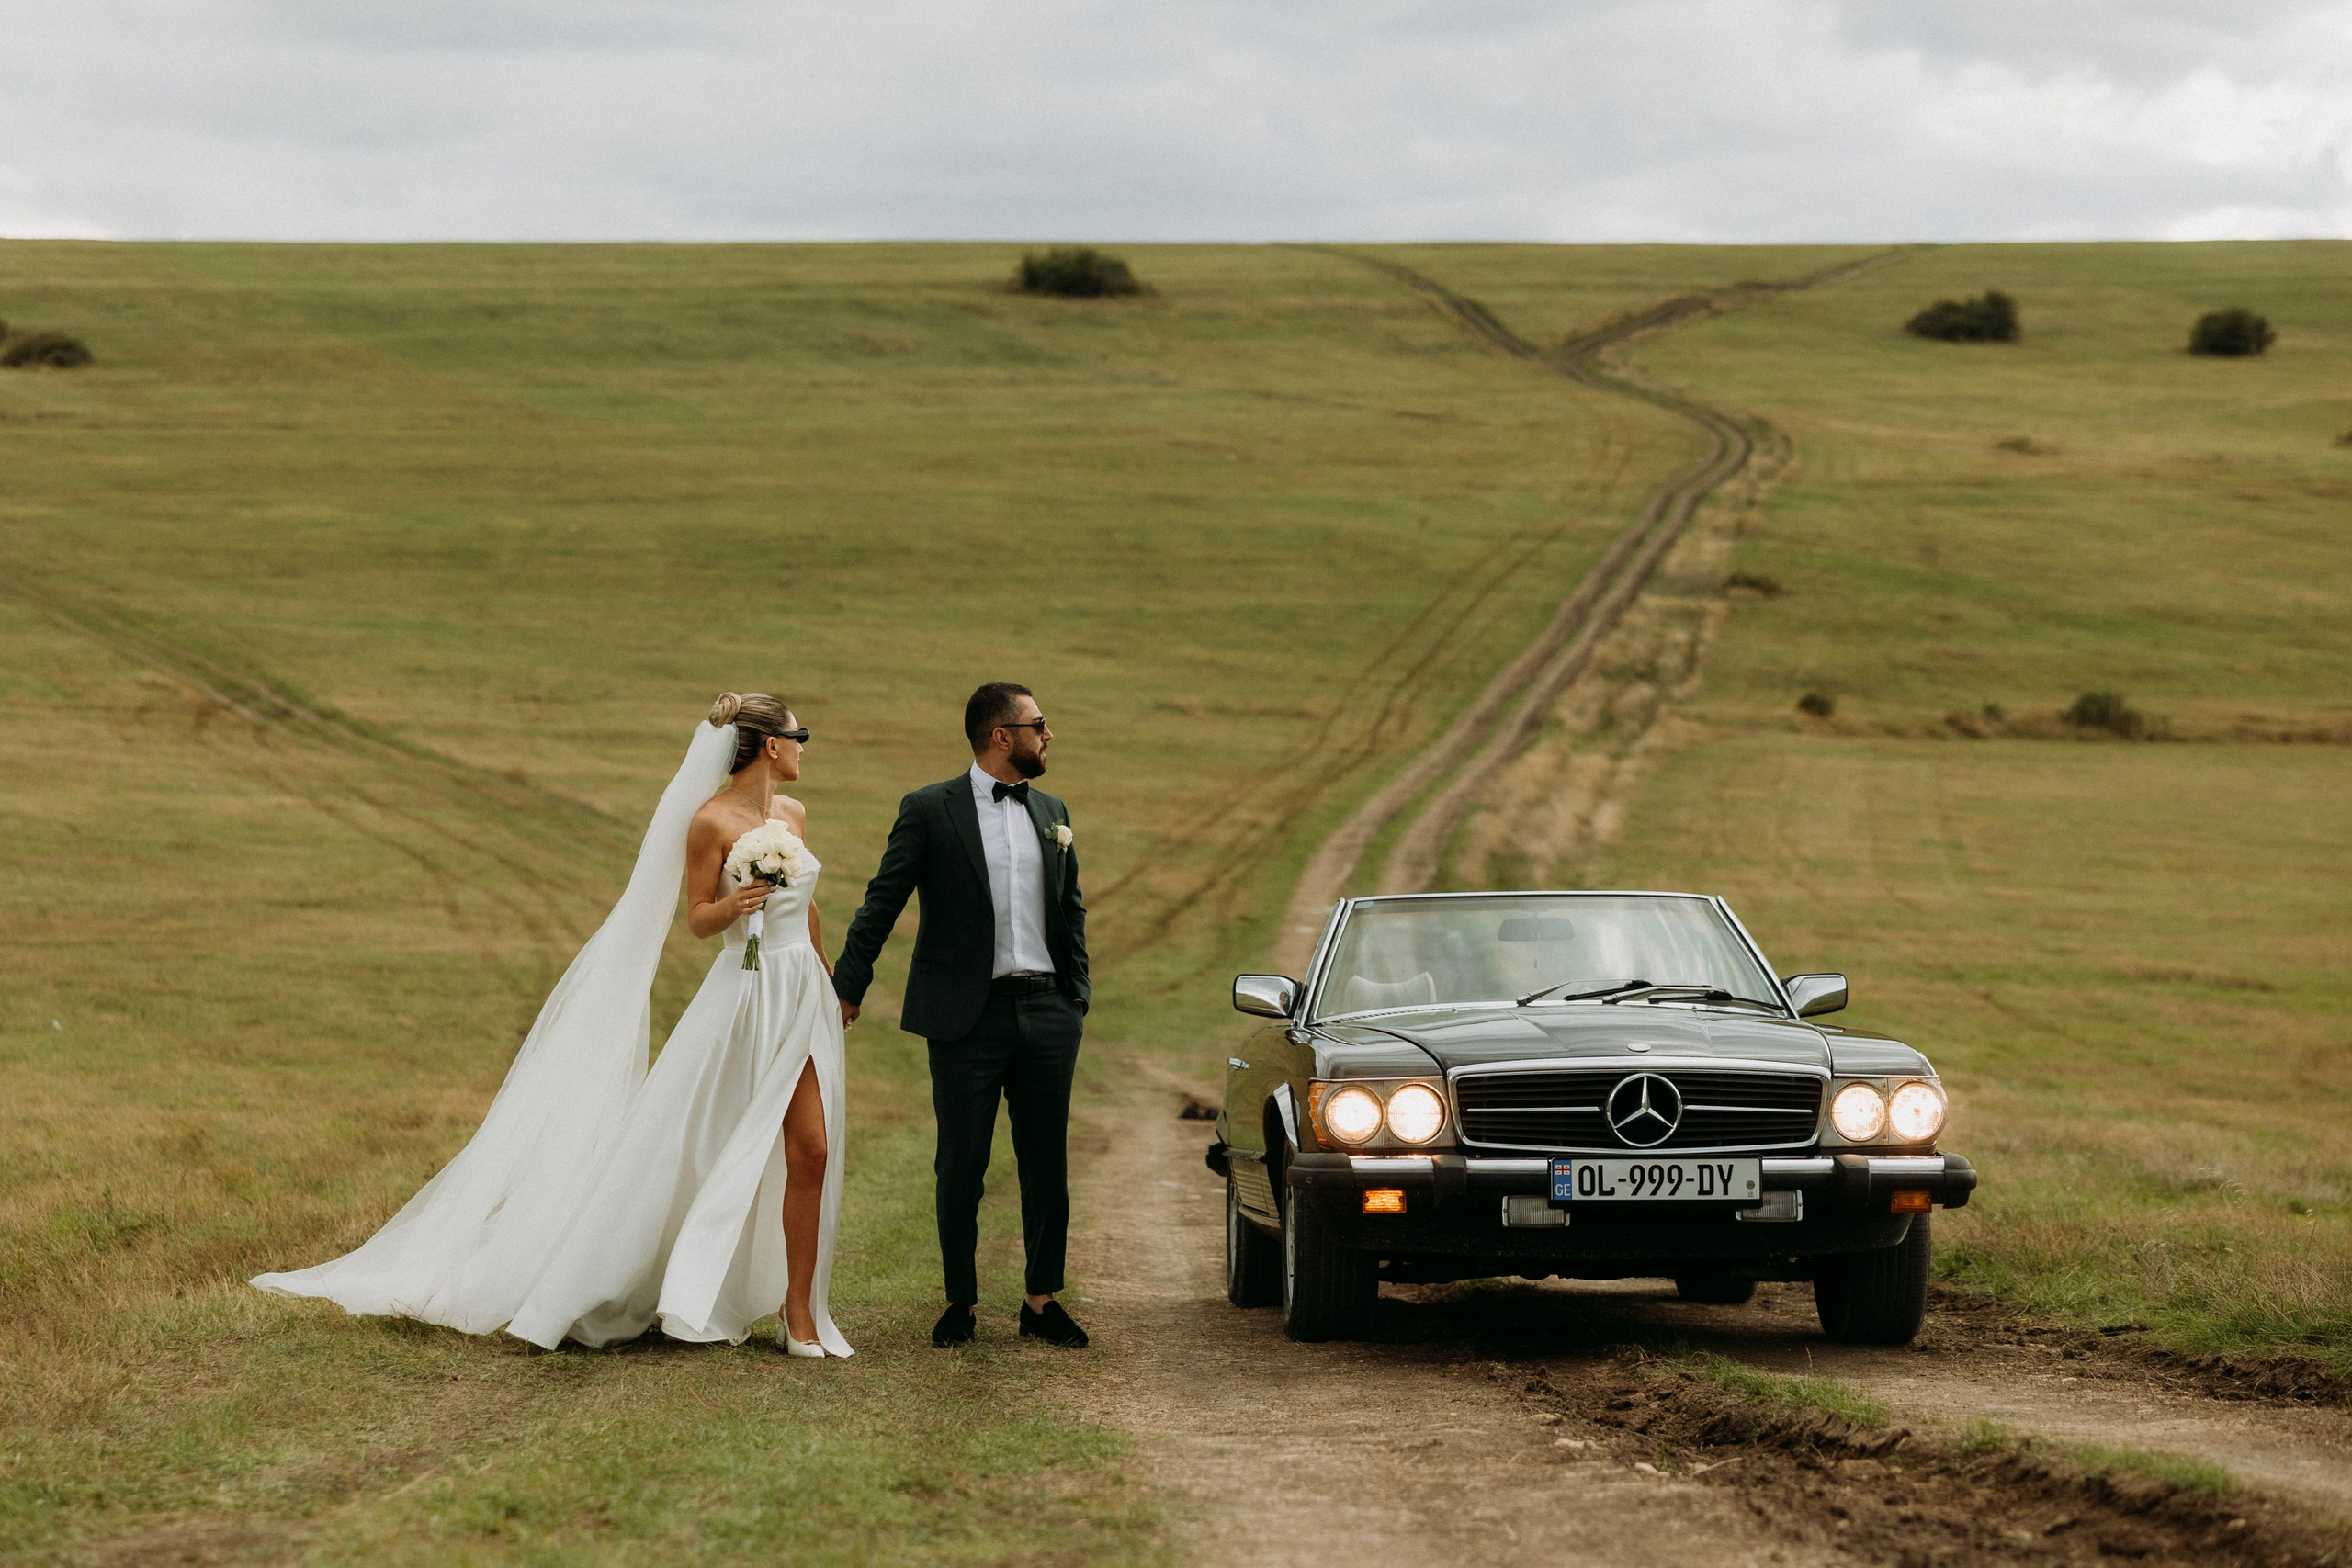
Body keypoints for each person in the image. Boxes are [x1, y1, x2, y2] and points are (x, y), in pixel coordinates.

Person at [253, 693, 854, 1359]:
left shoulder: (793, 816)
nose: (804, 745)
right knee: (693, 1150)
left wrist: (830, 984)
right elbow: (697, 918)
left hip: (799, 992)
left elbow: (808, 908)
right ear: (771, 745)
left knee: (813, 1149)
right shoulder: (710, 821)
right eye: (800, 735)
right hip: (743, 998)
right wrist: (735, 904)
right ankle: (656, 1281)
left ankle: (799, 1310)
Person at [831, 682, 1091, 1348]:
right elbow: (882, 900)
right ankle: (961, 1301)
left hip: (1047, 1012)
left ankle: (1041, 1299)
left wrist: (1076, 993)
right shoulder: (929, 809)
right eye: (1038, 724)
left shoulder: (1054, 811)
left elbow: (1071, 908)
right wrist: (847, 984)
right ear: (1001, 735)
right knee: (961, 1164)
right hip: (964, 1020)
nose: (1048, 733)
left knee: (1046, 1163)